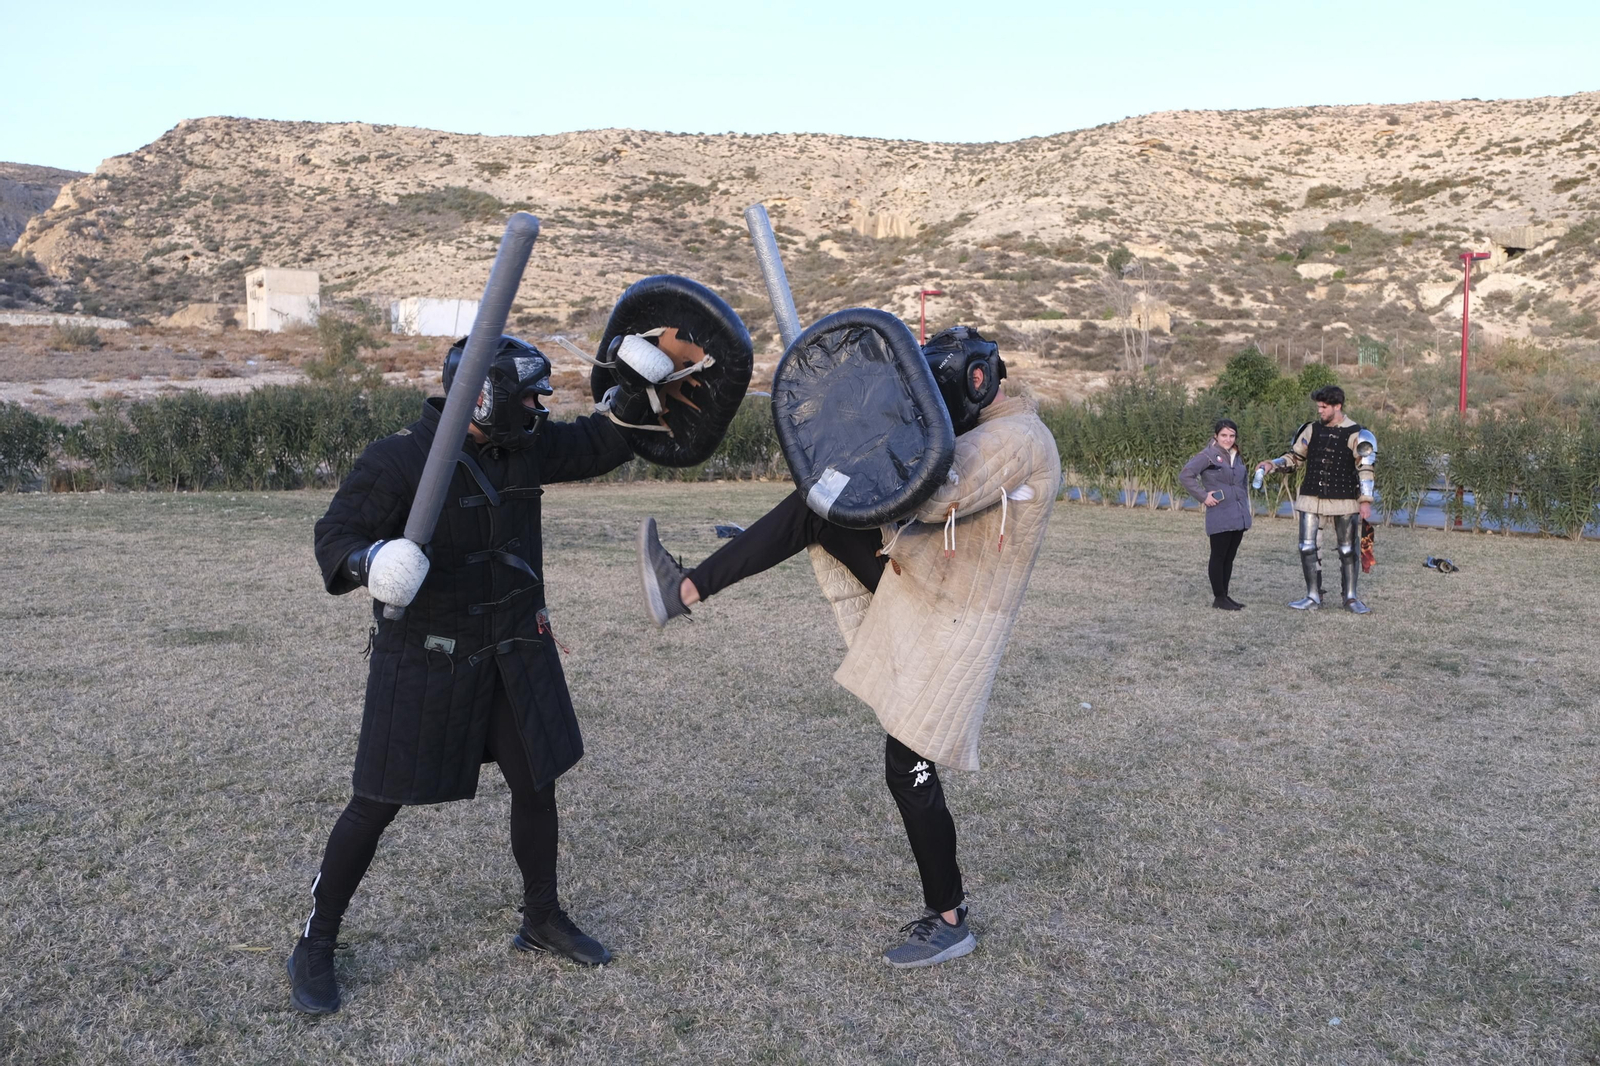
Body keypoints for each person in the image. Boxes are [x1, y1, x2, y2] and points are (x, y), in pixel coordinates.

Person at [637, 327, 1061, 969]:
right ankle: (688, 587)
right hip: (924, 589)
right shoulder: (995, 429)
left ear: (977, 380)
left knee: (910, 770)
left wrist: (870, 433)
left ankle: (950, 918)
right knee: (817, 508)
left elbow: (933, 489)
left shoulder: (1017, 439)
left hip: (949, 623)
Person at [287, 335, 635, 1015]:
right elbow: (334, 537)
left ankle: (541, 919)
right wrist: (370, 562)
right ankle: (315, 942)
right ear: (484, 396)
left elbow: (599, 443)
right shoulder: (398, 460)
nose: (541, 406)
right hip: (428, 655)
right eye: (530, 394)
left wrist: (642, 398)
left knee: (536, 782)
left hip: (514, 646)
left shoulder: (524, 446)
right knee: (376, 800)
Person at [1255, 385, 1377, 613]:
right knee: (1307, 547)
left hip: (1345, 498)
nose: (1319, 411)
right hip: (1311, 497)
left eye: (1324, 407)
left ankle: (1350, 597)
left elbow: (1365, 467)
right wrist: (1273, 464)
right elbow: (1295, 457)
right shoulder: (1310, 430)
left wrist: (1365, 501)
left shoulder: (1357, 433)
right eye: (1318, 406)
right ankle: (1313, 596)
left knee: (1347, 550)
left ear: (1337, 406)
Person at [1180, 418, 1253, 610]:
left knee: (1229, 557)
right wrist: (1203, 496)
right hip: (1220, 512)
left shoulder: (1236, 455)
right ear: (1216, 436)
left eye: (1231, 435)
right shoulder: (1208, 455)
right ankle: (1218, 597)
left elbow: (1242, 483)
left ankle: (1225, 596)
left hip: (1238, 514)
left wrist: (1245, 505)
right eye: (1224, 435)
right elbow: (1185, 475)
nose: (1228, 439)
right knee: (1218, 555)